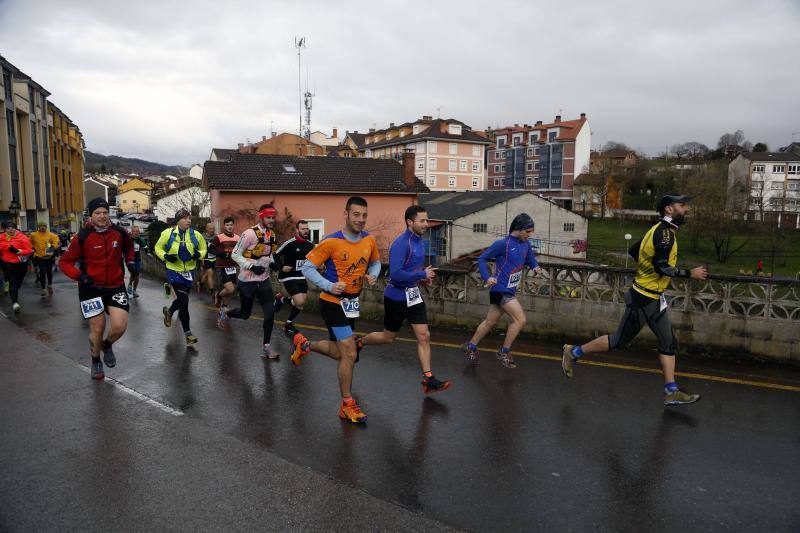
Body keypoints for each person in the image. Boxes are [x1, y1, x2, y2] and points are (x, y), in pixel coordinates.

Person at [561, 193, 709, 406]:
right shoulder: (665, 234)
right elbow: (661, 266)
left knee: (668, 342)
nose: (686, 209)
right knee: (619, 341)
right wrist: (689, 274)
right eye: (682, 205)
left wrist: (647, 270)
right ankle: (573, 352)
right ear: (669, 209)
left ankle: (671, 391)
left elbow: (634, 251)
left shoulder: (658, 229)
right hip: (643, 298)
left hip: (655, 298)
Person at [291, 196, 382, 424]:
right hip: (332, 301)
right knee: (350, 352)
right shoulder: (331, 241)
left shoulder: (369, 240)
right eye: (356, 214)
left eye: (364, 215)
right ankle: (347, 405)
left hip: (351, 304)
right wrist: (329, 285)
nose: (361, 220)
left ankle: (304, 345)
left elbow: (376, 262)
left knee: (340, 353)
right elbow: (309, 268)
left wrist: (374, 274)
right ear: (346, 214)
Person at [355, 205, 451, 394]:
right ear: (410, 222)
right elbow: (397, 275)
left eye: (426, 220)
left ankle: (429, 379)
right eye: (422, 221)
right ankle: (360, 343)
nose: (426, 224)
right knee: (388, 337)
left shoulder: (419, 242)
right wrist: (422, 273)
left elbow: (411, 271)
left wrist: (422, 279)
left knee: (424, 336)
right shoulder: (401, 244)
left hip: (413, 295)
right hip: (396, 296)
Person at [59, 198, 136, 380]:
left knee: (119, 327)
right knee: (98, 327)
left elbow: (129, 247)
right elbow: (65, 262)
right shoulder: (83, 236)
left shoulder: (119, 232)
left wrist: (130, 261)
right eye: (97, 213)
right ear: (91, 215)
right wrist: (80, 276)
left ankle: (107, 345)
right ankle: (95, 361)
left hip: (115, 286)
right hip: (90, 287)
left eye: (104, 212)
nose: (102, 216)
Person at [461, 213, 541, 369]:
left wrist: (535, 266)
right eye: (528, 231)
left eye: (531, 231)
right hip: (500, 289)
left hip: (509, 290)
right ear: (518, 229)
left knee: (490, 322)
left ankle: (470, 346)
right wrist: (487, 277)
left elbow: (529, 257)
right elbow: (482, 259)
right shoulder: (502, 244)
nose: (530, 234)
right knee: (520, 320)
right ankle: (504, 352)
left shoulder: (526, 244)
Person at [220, 204, 280, 358]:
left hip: (264, 280)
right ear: (261, 217)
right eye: (268, 217)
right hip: (247, 281)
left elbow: (269, 253)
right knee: (245, 314)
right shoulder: (249, 234)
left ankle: (266, 347)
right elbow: (235, 254)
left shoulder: (271, 235)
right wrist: (251, 267)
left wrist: (272, 262)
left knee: (270, 312)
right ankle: (227, 314)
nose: (271, 220)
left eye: (273, 217)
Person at [154, 209, 207, 346]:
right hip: (174, 271)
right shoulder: (168, 234)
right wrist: (165, 256)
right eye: (184, 218)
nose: (188, 220)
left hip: (189, 271)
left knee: (182, 299)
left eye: (189, 218)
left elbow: (203, 248)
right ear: (178, 221)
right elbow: (158, 248)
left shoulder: (196, 235)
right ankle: (188, 334)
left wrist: (199, 255)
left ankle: (170, 311)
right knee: (184, 302)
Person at [272, 219, 315, 337]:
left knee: (301, 304)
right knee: (299, 301)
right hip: (288, 277)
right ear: (297, 230)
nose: (306, 231)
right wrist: (281, 267)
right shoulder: (290, 243)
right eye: (303, 229)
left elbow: (315, 259)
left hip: (301, 276)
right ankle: (281, 300)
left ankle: (288, 323)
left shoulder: (310, 245)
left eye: (307, 229)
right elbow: (274, 255)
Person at [0, 220, 33, 313]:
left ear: (16, 228)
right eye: (8, 228)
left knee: (18, 283)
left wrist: (18, 251)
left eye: (12, 228)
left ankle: (13, 293)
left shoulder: (22, 237)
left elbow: (29, 250)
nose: (11, 230)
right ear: (5, 229)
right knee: (13, 282)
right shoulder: (1, 237)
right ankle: (15, 303)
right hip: (8, 263)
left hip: (21, 264)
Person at [212, 216, 240, 323]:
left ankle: (224, 307)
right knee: (230, 289)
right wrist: (220, 254)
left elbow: (240, 251)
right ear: (224, 226)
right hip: (221, 266)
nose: (229, 227)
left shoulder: (238, 238)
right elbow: (210, 249)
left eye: (231, 225)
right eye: (227, 225)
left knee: (234, 288)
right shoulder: (219, 237)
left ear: (233, 225)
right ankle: (218, 295)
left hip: (232, 267)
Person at [30, 222, 60, 297]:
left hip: (49, 257)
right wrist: (32, 248)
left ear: (46, 227)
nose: (42, 228)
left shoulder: (52, 235)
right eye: (41, 226)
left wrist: (51, 245)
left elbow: (57, 245)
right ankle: (43, 288)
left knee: (49, 272)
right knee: (42, 272)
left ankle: (49, 285)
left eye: (44, 226)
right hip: (39, 257)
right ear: (38, 227)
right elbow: (30, 243)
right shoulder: (33, 235)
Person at [127, 225, 147, 298]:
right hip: (129, 259)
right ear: (131, 232)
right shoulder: (128, 239)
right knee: (134, 273)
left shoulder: (140, 240)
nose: (136, 233)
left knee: (137, 276)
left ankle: (134, 289)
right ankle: (129, 286)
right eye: (134, 231)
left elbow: (145, 248)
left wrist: (146, 250)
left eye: (137, 231)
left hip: (137, 259)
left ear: (139, 232)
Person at [198, 222, 217, 295]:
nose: (212, 230)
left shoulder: (216, 237)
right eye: (210, 228)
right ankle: (212, 291)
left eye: (213, 229)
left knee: (207, 273)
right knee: (210, 273)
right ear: (206, 228)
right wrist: (201, 259)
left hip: (214, 258)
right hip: (206, 258)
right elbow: (199, 249)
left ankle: (201, 284)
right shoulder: (201, 237)